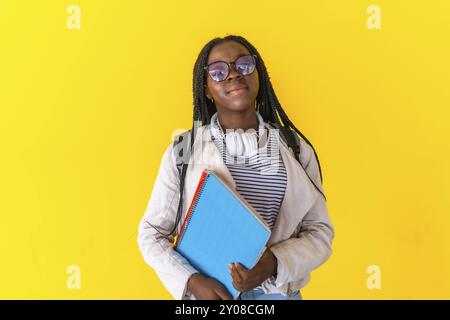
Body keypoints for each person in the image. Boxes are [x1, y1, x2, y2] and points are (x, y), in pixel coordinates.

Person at [137, 35, 334, 300]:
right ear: (206, 88)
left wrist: (274, 263)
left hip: (277, 295)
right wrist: (193, 282)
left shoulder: (295, 149)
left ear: (258, 74)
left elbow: (320, 232)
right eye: (218, 71)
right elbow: (151, 234)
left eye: (243, 65)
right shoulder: (184, 149)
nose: (233, 75)